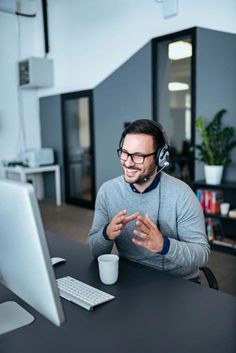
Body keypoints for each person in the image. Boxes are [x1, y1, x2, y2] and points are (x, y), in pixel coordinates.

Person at [88, 119, 210, 280]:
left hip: (178, 282)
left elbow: (202, 254)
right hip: (129, 277)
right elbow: (94, 252)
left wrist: (164, 245)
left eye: (138, 156)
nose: (128, 162)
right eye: (125, 153)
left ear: (160, 157)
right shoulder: (107, 191)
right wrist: (106, 233)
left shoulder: (182, 195)